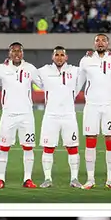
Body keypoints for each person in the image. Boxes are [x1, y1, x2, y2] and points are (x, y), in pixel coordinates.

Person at [0, 43, 43, 189]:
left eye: (19, 51)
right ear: (9, 53)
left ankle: (27, 179)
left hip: (27, 115)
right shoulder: (1, 69)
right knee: (3, 147)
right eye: (13, 51)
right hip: (8, 115)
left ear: (22, 53)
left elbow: (44, 85)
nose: (16, 53)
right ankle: (1, 179)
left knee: (28, 147)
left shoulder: (30, 68)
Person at [78, 34, 111, 189]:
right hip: (91, 106)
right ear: (94, 43)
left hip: (109, 106)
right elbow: (78, 83)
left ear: (108, 43)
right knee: (90, 141)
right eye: (97, 41)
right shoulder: (86, 60)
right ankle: (90, 179)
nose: (100, 43)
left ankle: (110, 179)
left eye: (103, 40)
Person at [36, 46, 84, 188]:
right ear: (52, 57)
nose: (59, 57)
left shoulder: (75, 71)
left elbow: (89, 71)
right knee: (48, 148)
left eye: (62, 55)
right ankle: (47, 178)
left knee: (73, 147)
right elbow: (29, 74)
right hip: (51, 115)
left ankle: (74, 179)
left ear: (66, 57)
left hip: (69, 115)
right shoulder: (44, 71)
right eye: (56, 54)